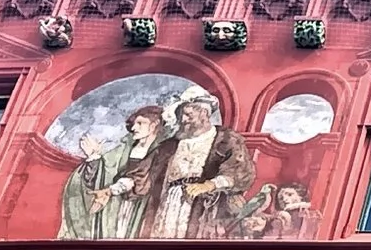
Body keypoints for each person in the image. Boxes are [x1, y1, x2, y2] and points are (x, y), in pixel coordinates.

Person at [139, 96, 255, 240]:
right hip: (169, 202)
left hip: (206, 204)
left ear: (204, 114)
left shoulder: (226, 139)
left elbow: (240, 171)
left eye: (188, 115)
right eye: (181, 116)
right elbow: (144, 172)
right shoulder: (169, 145)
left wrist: (210, 185)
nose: (183, 120)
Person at [60, 104, 163, 239]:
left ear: (154, 124)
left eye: (140, 123)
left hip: (145, 208)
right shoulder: (122, 150)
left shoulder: (162, 149)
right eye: (134, 124)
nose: (134, 128)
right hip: (119, 207)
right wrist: (94, 157)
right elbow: (104, 170)